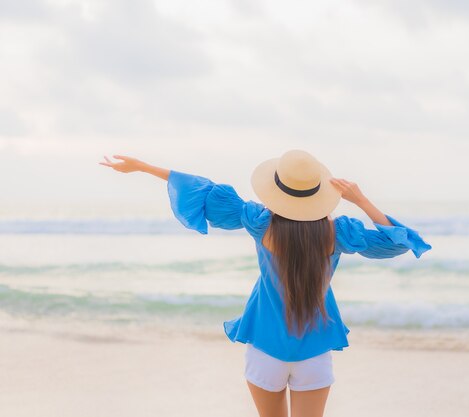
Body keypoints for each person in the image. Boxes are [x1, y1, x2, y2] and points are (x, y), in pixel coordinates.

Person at [99, 149, 431, 417]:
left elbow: (203, 190)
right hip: (313, 351)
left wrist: (142, 167)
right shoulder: (338, 232)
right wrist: (360, 200)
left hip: (265, 349)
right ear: (318, 192)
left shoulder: (260, 223)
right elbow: (399, 243)